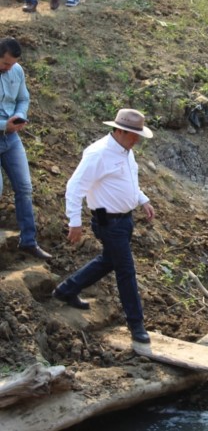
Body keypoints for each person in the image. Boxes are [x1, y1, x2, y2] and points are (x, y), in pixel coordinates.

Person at [52, 109, 155, 344]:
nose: (136, 140)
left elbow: (128, 180)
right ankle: (136, 324)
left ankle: (66, 290)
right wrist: (74, 222)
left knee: (109, 260)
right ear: (119, 130)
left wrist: (142, 199)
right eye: (132, 134)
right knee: (126, 270)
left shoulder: (126, 151)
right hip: (108, 222)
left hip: (125, 220)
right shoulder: (98, 154)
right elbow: (74, 187)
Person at [0, 37, 52, 260]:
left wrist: (20, 116)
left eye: (12, 64)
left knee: (25, 187)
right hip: (4, 129)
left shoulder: (17, 71)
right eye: (5, 64)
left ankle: (28, 241)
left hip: (11, 139)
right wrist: (4, 125)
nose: (9, 68)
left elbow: (23, 98)